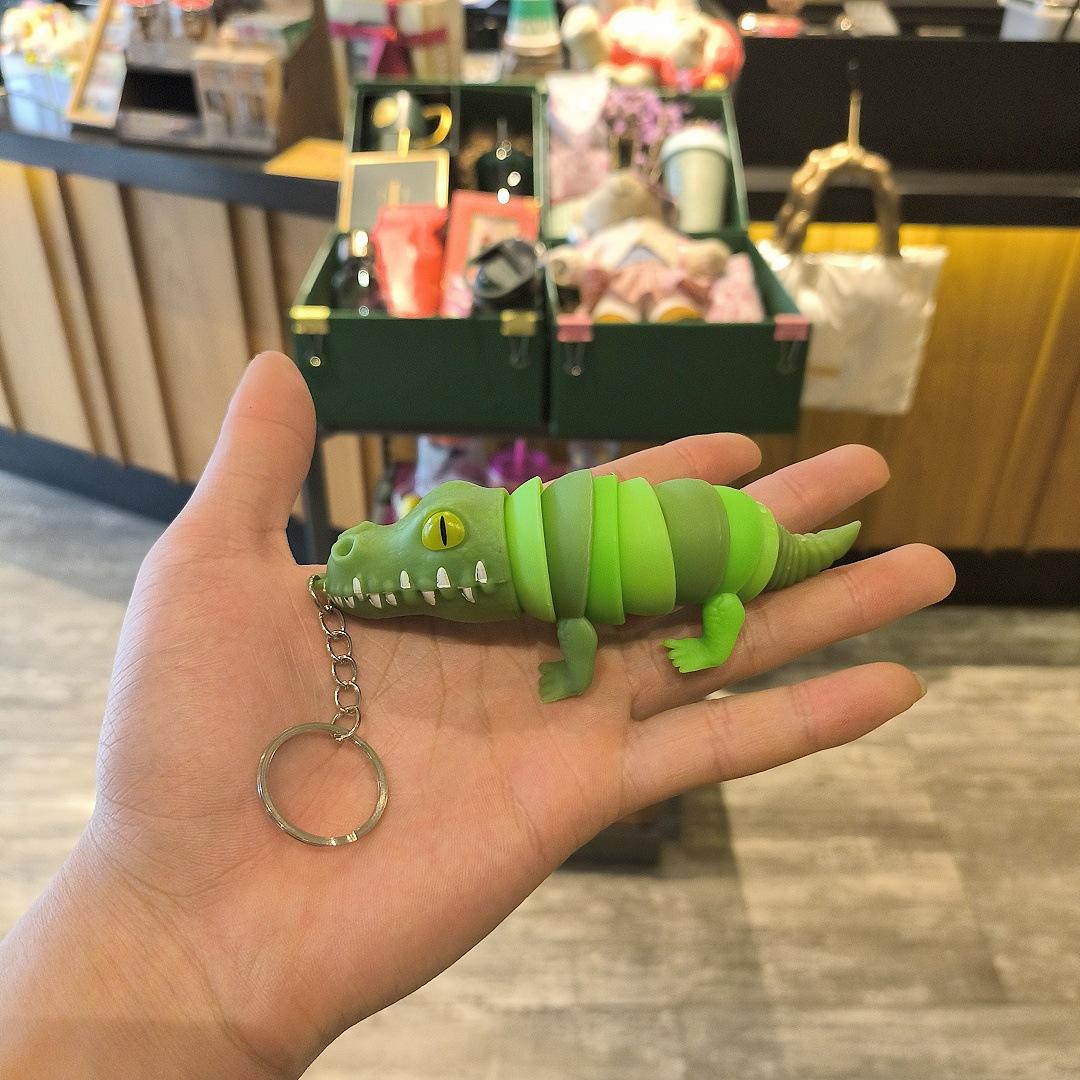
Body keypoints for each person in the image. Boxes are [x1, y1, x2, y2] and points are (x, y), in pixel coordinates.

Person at [0, 351, 955, 1077]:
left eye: (443, 532)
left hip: (722, 551)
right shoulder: (507, 575)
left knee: (733, 593)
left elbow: (580, 638)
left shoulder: (561, 605)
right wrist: (154, 927)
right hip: (652, 528)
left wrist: (690, 652)